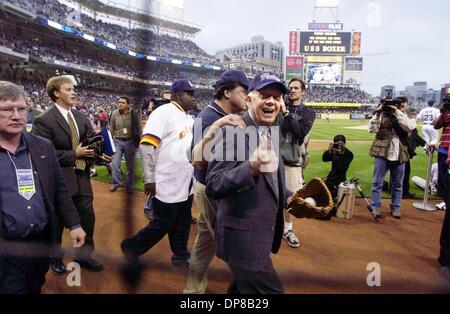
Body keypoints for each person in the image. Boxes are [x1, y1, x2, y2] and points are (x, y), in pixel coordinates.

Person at [205, 73, 292, 294]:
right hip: (243, 241)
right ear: (250, 99)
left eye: (277, 96)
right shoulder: (234, 131)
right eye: (264, 95)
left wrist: (290, 196)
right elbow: (214, 185)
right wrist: (251, 168)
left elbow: (270, 178)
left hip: (258, 236)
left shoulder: (269, 130)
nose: (271, 101)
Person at [0, 81, 85, 294]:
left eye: (21, 108)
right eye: (7, 110)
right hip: (6, 249)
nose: (17, 115)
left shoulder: (42, 146)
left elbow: (59, 189)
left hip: (40, 244)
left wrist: (74, 223)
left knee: (34, 287)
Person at [184, 70, 249, 294]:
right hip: (212, 189)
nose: (246, 97)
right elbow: (199, 161)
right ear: (227, 92)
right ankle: (251, 290)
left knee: (205, 242)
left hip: (215, 187)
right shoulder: (209, 117)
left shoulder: (222, 115)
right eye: (243, 91)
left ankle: (193, 291)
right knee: (232, 242)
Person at [32, 76, 104, 274]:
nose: (74, 92)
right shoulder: (43, 120)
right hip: (59, 180)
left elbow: (91, 142)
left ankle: (84, 256)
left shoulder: (80, 117)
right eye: (68, 89)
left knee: (87, 217)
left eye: (74, 89)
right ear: (56, 93)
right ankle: (55, 258)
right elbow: (42, 154)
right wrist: (75, 154)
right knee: (57, 222)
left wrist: (99, 155)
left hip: (82, 177)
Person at [121, 79, 196, 267]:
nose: (192, 97)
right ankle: (131, 247)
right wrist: (149, 178)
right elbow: (147, 146)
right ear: (178, 95)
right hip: (166, 180)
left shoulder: (187, 117)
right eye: (189, 93)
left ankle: (180, 254)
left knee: (183, 220)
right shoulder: (163, 112)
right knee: (163, 223)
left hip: (185, 181)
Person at [279, 78, 316, 248]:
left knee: (291, 200)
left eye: (296, 88)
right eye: (290, 87)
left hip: (291, 162)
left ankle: (288, 229)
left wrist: (285, 113)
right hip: (273, 159)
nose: (292, 90)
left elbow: (300, 132)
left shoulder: (308, 112)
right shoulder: (277, 105)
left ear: (303, 92)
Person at [368, 97, 415, 219]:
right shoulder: (381, 115)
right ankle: (375, 206)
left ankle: (396, 207)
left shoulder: (402, 116)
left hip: (399, 154)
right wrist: (378, 112)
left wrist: (397, 111)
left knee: (398, 184)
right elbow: (371, 129)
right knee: (377, 182)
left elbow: (409, 127)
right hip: (382, 153)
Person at [109, 96, 142, 192]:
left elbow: (138, 128)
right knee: (115, 164)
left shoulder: (133, 114)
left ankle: (129, 186)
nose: (120, 104)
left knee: (130, 166)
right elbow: (111, 128)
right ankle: (116, 183)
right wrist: (110, 141)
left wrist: (139, 141)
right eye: (119, 102)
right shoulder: (114, 113)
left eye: (122, 102)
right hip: (117, 141)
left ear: (128, 104)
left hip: (130, 142)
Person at [403, 108, 426, 199]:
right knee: (405, 172)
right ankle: (404, 193)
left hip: (405, 152)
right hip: (405, 152)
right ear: (408, 114)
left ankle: (400, 191)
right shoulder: (408, 124)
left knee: (401, 172)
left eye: (415, 114)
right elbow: (414, 137)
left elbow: (415, 137)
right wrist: (425, 144)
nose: (414, 115)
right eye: (412, 113)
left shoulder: (410, 124)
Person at [322, 134, 354, 201]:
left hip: (339, 181)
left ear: (345, 143)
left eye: (341, 144)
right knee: (321, 195)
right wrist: (328, 151)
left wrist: (340, 155)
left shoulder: (349, 154)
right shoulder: (334, 152)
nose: (339, 146)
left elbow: (342, 167)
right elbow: (324, 159)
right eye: (337, 144)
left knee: (329, 199)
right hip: (330, 179)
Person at [433, 95, 450, 198]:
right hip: (444, 146)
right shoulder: (446, 113)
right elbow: (436, 126)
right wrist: (443, 112)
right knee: (442, 172)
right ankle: (443, 194)